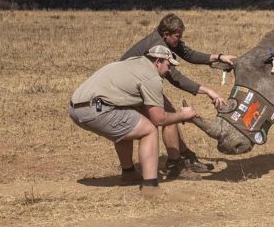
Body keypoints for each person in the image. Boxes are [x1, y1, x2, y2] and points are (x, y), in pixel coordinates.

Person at [68, 45, 199, 197]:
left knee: (128, 121)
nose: (169, 70)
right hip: (96, 110)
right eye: (168, 65)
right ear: (158, 62)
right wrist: (182, 115)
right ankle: (150, 186)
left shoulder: (132, 64)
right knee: (149, 129)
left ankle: (129, 173)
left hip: (75, 108)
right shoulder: (151, 77)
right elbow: (159, 118)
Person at [121, 13, 236, 180]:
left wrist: (219, 57)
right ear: (166, 34)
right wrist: (208, 91)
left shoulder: (165, 40)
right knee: (169, 118)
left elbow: (189, 54)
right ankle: (175, 165)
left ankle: (185, 156)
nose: (179, 40)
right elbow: (176, 78)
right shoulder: (158, 46)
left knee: (171, 114)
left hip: (140, 83)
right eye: (177, 36)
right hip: (129, 87)